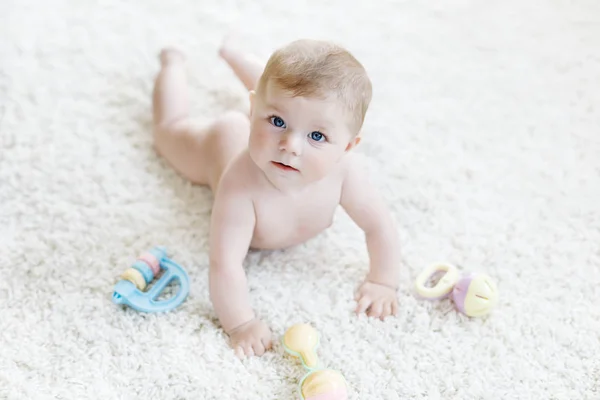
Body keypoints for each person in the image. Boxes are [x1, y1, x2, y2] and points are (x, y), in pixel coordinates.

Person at [151, 37, 401, 359]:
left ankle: (235, 56)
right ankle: (173, 63)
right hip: (220, 144)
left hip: (266, 115)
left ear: (347, 147)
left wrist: (383, 281)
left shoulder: (345, 172)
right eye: (276, 122)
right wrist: (241, 324)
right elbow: (224, 263)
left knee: (292, 97)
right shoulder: (239, 185)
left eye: (317, 136)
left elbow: (379, 226)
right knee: (169, 132)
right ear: (254, 109)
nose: (291, 145)